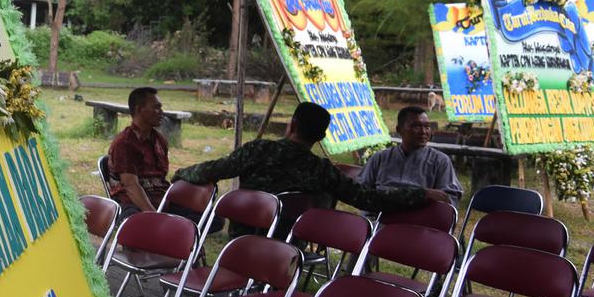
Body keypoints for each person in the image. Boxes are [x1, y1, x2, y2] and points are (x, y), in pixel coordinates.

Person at [172, 102, 449, 235]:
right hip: (288, 244)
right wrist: (419, 193)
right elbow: (368, 198)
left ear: (291, 125)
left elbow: (213, 169)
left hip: (241, 240)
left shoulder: (257, 150)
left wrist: (182, 173)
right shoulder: (321, 170)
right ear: (321, 137)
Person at [358, 106, 463, 210]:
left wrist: (429, 197)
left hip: (419, 221)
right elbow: (362, 192)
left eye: (427, 126)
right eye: (416, 126)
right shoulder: (380, 158)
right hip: (380, 219)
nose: (423, 132)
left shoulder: (440, 161)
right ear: (399, 130)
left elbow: (450, 199)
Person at [106, 87, 170, 219]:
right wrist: (156, 216)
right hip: (132, 201)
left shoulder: (159, 141)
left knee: (212, 218)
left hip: (158, 198)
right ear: (139, 109)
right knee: (134, 220)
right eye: (156, 108)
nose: (161, 112)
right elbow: (131, 186)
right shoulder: (125, 143)